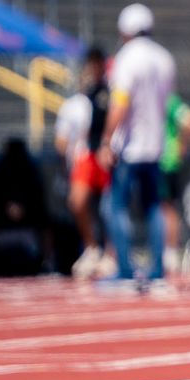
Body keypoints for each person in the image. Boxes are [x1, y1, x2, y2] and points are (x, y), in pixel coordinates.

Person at [100, 3, 177, 287]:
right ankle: (157, 269)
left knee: (116, 207)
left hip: (130, 146)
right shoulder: (164, 58)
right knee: (153, 207)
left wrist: (107, 140)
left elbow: (120, 103)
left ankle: (124, 268)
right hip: (155, 145)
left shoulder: (127, 59)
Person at [53, 47, 114, 277]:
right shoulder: (76, 103)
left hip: (107, 155)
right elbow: (61, 138)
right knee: (78, 202)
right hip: (86, 156)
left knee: (110, 209)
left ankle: (111, 252)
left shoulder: (110, 93)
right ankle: (91, 248)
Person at [0, 138, 51, 276]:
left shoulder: (31, 181)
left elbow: (44, 223)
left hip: (28, 242)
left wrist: (47, 258)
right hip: (3, 241)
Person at [159, 91, 190, 272]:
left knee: (166, 207)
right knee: (166, 206)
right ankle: (168, 251)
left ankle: (169, 251)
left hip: (165, 160)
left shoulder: (167, 100)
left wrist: (181, 145)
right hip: (164, 159)